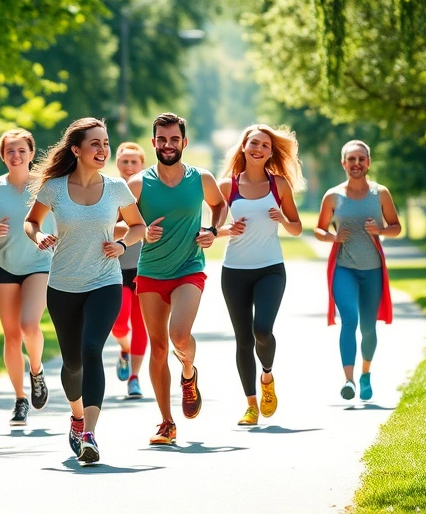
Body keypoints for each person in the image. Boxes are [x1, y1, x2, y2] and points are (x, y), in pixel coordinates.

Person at [25, 118, 146, 464]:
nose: (103, 150)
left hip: (105, 281)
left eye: (106, 143)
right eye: (95, 143)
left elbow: (138, 226)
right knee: (72, 362)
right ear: (76, 150)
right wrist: (38, 236)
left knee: (92, 348)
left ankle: (90, 433)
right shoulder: (54, 188)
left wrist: (123, 246)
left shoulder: (116, 188)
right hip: (63, 284)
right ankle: (77, 417)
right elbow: (31, 221)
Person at [127, 112, 227, 446]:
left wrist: (212, 230)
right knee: (158, 349)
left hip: (188, 268)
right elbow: (117, 225)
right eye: (161, 139)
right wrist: (140, 233)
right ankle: (166, 423)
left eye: (174, 139)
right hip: (151, 272)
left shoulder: (202, 178)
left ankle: (188, 374)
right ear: (153, 142)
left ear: (184, 142)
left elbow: (219, 205)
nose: (167, 145)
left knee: (179, 336)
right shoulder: (138, 184)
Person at [217, 124, 304, 426]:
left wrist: (282, 218)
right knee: (243, 339)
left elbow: (296, 227)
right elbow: (212, 229)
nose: (258, 148)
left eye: (265, 145)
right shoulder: (227, 186)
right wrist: (226, 230)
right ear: (243, 146)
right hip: (234, 272)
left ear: (270, 152)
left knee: (262, 331)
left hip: (270, 269)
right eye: (254, 143)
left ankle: (267, 376)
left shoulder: (279, 185)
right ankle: (251, 405)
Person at [0, 129, 54, 426]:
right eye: (10, 151)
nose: (16, 156)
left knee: (29, 325)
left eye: (22, 150)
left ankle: (36, 371)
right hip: (4, 265)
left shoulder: (47, 186)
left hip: (39, 263)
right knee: (11, 335)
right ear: (3, 155)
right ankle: (20, 399)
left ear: (31, 154)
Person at [314, 139, 401, 402]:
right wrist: (333, 237)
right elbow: (319, 229)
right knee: (349, 319)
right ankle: (349, 380)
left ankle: (365, 374)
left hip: (372, 270)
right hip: (345, 268)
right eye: (351, 159)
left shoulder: (381, 193)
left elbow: (396, 226)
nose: (356, 164)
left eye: (361, 159)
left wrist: (381, 230)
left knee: (368, 328)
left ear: (368, 163)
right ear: (343, 163)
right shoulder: (332, 195)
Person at [112, 142, 148, 398]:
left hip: (145, 267)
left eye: (134, 162)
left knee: (140, 325)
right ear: (117, 164)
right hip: (116, 268)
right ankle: (124, 348)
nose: (129, 166)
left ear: (142, 165)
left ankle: (134, 378)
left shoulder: (149, 192)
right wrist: (134, 229)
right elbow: (103, 228)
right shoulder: (110, 191)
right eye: (125, 161)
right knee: (119, 324)